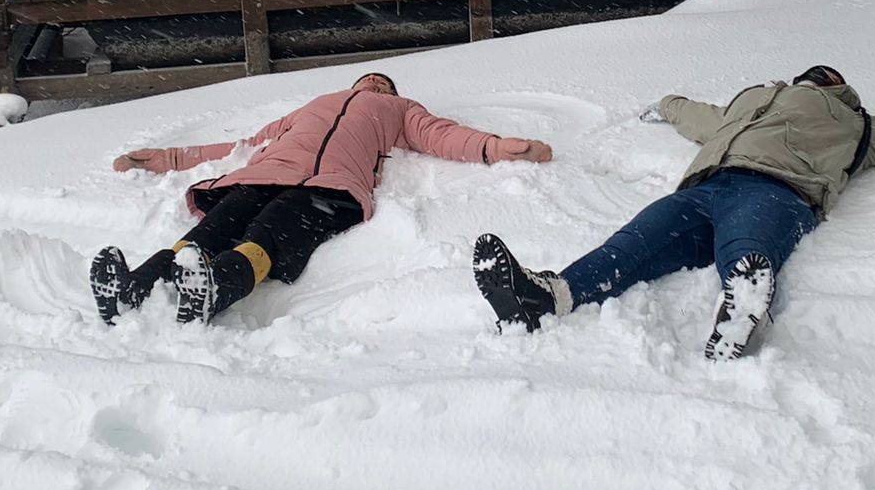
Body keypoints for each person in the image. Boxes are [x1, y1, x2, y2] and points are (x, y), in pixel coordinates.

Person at [472, 65, 875, 360]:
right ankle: (547, 298)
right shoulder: (749, 104)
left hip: (778, 190)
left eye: (825, 79)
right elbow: (699, 117)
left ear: (839, 91)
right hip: (701, 188)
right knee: (627, 248)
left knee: (750, 246)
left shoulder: (857, 125)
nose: (815, 79)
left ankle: (745, 298)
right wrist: (665, 104)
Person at [95, 71, 553, 325]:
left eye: (382, 83)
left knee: (267, 235)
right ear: (353, 85)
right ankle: (137, 287)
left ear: (391, 93)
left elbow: (441, 136)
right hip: (266, 172)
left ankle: (214, 291)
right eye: (368, 80)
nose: (374, 84)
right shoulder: (316, 103)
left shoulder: (400, 110)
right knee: (208, 232)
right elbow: (249, 144)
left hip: (331, 187)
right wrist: (169, 157)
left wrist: (495, 148)